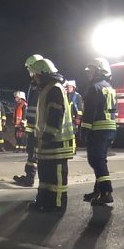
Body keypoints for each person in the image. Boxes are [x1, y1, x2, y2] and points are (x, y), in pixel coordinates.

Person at [27, 58, 76, 212]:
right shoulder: (47, 89)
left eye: (36, 75)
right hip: (47, 142)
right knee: (45, 175)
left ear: (44, 74)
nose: (34, 78)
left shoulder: (54, 89)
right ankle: (44, 201)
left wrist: (47, 136)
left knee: (57, 177)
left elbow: (56, 114)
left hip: (57, 142)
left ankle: (58, 204)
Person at [80, 57, 117, 206]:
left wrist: (84, 131)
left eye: (91, 70)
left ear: (100, 71)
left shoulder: (94, 87)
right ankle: (98, 191)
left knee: (96, 160)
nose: (89, 73)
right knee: (100, 160)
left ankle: (106, 192)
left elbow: (90, 112)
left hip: (98, 130)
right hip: (109, 129)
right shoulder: (110, 87)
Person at [13, 54, 44, 186]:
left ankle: (31, 178)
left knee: (35, 153)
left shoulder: (41, 84)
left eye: (30, 68)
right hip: (33, 126)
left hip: (39, 126)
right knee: (32, 152)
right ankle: (29, 177)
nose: (29, 72)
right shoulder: (35, 84)